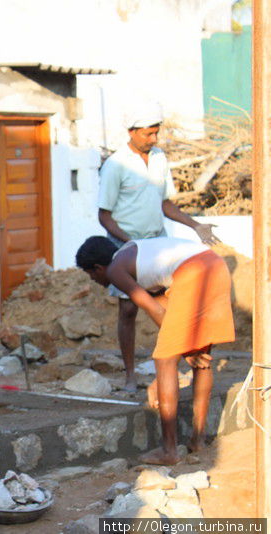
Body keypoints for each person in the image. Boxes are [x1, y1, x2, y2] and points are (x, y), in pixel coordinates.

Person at [76, 236, 234, 465]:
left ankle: (169, 450)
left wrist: (182, 348)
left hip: (193, 272)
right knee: (202, 358)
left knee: (164, 359)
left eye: (91, 274)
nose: (94, 279)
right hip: (215, 266)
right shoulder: (135, 253)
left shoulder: (116, 270)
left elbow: (152, 308)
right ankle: (197, 440)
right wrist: (189, 346)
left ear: (99, 268)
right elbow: (168, 309)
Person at [98, 101, 219, 392]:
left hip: (157, 241)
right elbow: (104, 215)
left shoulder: (160, 158)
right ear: (132, 131)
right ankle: (130, 375)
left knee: (169, 304)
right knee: (129, 310)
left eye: (156, 133)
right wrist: (130, 244)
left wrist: (196, 226)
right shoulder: (115, 164)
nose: (153, 139)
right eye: (148, 134)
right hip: (126, 243)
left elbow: (166, 204)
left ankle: (172, 366)